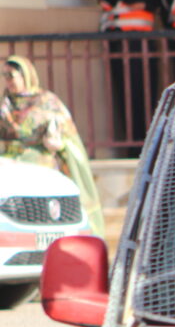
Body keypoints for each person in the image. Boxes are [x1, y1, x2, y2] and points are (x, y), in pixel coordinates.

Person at [0, 56, 105, 238]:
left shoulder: (46, 102)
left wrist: (55, 138)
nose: (8, 81)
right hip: (11, 168)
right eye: (4, 76)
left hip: (41, 165)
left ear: (26, 76)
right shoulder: (6, 104)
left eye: (12, 76)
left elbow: (64, 134)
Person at [94, 0, 155, 152]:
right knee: (128, 95)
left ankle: (146, 143)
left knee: (146, 93)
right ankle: (134, 147)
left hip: (143, 41)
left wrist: (134, 0)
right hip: (121, 40)